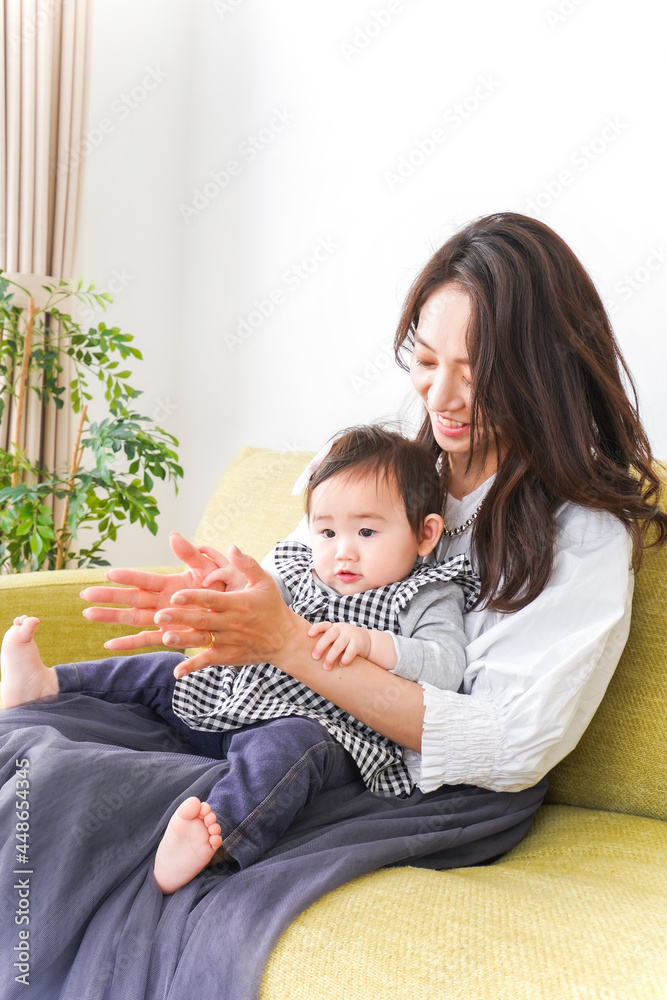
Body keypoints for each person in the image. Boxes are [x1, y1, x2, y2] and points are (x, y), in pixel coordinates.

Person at [1, 212, 665, 999]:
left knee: (97, 797)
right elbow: (296, 574)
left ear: (543, 368)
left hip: (404, 778)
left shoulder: (579, 531)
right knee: (30, 750)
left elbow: (512, 744)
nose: (442, 396)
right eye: (425, 360)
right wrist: (227, 599)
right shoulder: (394, 466)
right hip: (282, 707)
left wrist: (288, 644)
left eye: (477, 370)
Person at [1, 425, 480, 893]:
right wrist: (224, 592)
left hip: (329, 731)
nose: (343, 552)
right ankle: (50, 684)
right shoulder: (299, 570)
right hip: (237, 700)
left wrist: (373, 644)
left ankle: (216, 839)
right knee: (166, 669)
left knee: (289, 748)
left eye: (367, 531)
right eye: (327, 531)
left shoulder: (426, 594)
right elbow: (254, 606)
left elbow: (445, 666)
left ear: (425, 534)